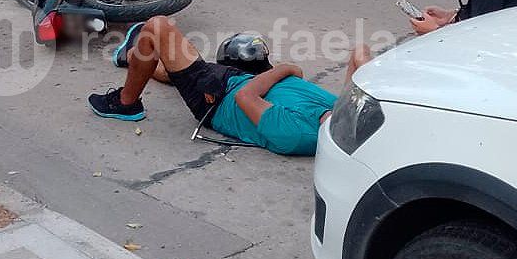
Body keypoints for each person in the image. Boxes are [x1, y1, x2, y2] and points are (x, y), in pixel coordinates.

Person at [88, 18, 338, 156]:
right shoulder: (342, 110)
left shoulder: (298, 135)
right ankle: (137, 57)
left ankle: (126, 103)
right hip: (237, 79)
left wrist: (285, 69)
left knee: (158, 27)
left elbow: (246, 96)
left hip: (215, 97)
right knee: (190, 61)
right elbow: (360, 57)